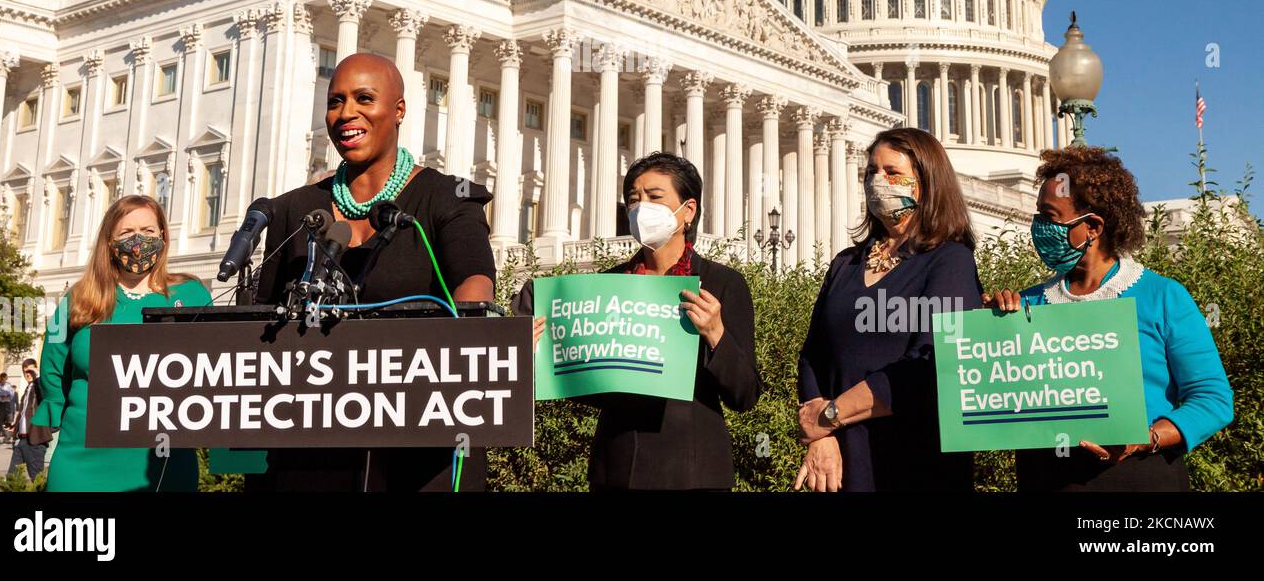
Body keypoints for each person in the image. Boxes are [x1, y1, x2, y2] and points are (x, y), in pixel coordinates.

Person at [251, 52, 497, 492]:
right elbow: (263, 316)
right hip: (310, 447)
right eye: (336, 101)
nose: (347, 113)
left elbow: (474, 282)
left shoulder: (448, 198)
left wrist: (447, 346)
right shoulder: (293, 208)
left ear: (399, 110)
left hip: (422, 441)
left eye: (364, 98)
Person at [985, 147, 1233, 491]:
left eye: (1049, 215)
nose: (1038, 227)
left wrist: (1145, 438)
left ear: (1093, 227)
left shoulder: (1162, 297)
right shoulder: (1026, 304)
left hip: (1138, 478)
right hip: (1045, 479)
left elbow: (1212, 399)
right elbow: (998, 400)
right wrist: (990, 329)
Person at [519, 152, 761, 490]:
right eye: (633, 199)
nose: (640, 208)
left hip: (694, 471)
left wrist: (716, 334)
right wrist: (544, 353)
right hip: (618, 467)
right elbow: (594, 388)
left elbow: (745, 394)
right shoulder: (605, 288)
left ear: (688, 211)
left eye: (655, 197)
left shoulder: (722, 284)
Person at [795, 127, 983, 491]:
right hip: (838, 463)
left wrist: (830, 416)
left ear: (926, 182)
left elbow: (931, 367)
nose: (878, 181)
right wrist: (819, 437)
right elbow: (812, 356)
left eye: (892, 172)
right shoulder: (845, 264)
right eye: (871, 172)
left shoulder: (950, 262)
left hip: (913, 463)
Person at [33, 194, 212, 491]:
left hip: (162, 463)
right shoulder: (79, 298)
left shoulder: (193, 294)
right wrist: (54, 414)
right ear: (109, 241)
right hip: (82, 459)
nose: (139, 240)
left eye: (149, 231)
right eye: (127, 232)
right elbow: (53, 365)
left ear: (163, 236)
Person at [7, 358, 50, 480]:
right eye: (25, 371)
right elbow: (24, 413)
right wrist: (14, 426)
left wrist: (38, 377)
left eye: (30, 371)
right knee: (12, 478)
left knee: (37, 479)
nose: (28, 374)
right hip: (21, 440)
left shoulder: (40, 387)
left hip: (35, 441)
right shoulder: (27, 390)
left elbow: (45, 397)